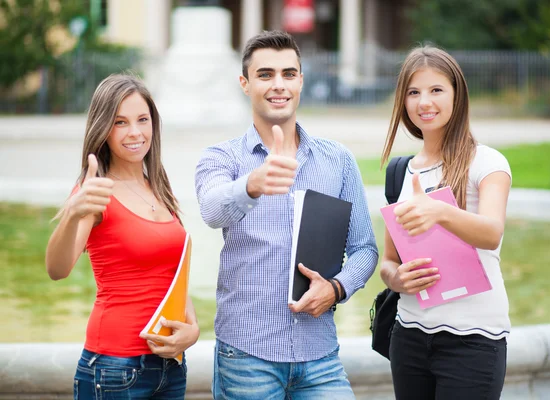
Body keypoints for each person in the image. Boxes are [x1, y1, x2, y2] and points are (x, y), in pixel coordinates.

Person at [195, 30, 378, 399]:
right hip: (247, 355)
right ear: (245, 84)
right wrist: (252, 184)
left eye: (288, 74)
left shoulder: (337, 160)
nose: (278, 85)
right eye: (265, 75)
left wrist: (337, 288)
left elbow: (365, 249)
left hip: (320, 354)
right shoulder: (222, 158)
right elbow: (212, 210)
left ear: (301, 81)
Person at [45, 74, 200, 399]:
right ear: (103, 128)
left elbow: (173, 273)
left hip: (170, 369)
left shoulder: (157, 186)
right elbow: (56, 270)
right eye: (120, 122)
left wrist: (192, 329)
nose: (135, 132)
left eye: (143, 120)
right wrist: (73, 212)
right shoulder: (95, 191)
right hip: (115, 366)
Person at [379, 45, 511, 399]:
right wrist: (397, 278)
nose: (425, 102)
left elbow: (491, 232)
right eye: (413, 92)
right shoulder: (400, 171)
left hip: (474, 341)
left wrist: (440, 211)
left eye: (436, 90)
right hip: (408, 337)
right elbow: (389, 260)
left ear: (458, 96)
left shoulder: (487, 162)